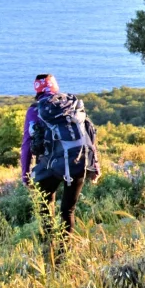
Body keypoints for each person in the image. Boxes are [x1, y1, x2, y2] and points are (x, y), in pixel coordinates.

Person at [20, 74, 100, 255]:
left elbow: (27, 145)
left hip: (49, 168)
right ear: (55, 87)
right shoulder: (72, 105)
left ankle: (49, 248)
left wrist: (25, 175)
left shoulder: (35, 110)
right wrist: (95, 166)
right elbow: (90, 135)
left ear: (37, 90)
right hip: (78, 163)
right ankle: (65, 252)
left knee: (45, 209)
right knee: (68, 211)